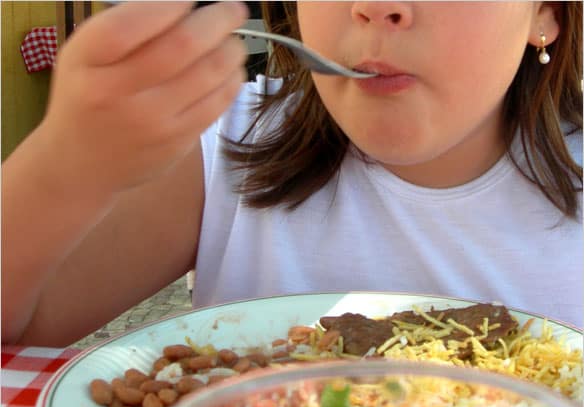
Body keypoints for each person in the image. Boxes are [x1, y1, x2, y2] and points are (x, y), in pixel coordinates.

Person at [2, 1, 582, 346]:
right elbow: (19, 321)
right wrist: (67, 164)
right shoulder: (229, 140)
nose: (375, 5)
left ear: (545, 12)